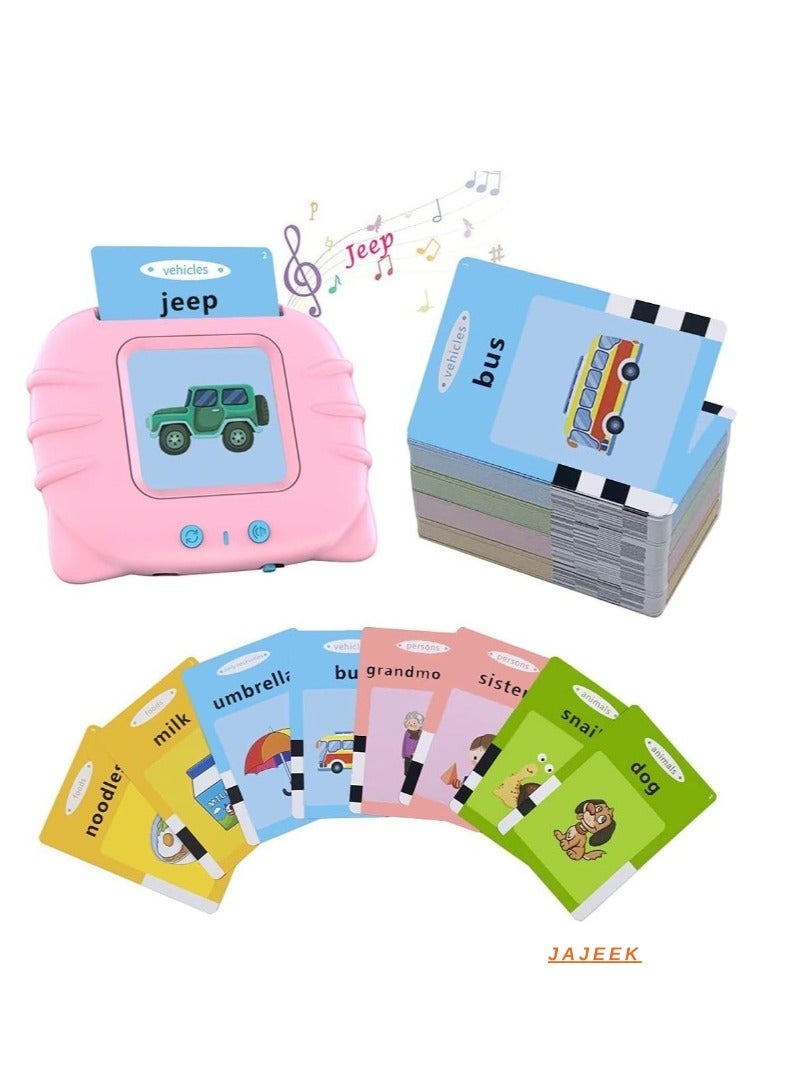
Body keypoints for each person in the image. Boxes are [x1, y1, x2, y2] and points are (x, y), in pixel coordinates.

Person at [401, 711, 424, 776]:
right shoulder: (407, 733)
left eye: (414, 723)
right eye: (409, 722)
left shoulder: (421, 734)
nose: (412, 724)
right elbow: (404, 744)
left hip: (416, 756)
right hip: (407, 756)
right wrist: (403, 755)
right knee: (407, 771)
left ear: (420, 724)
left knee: (415, 770)